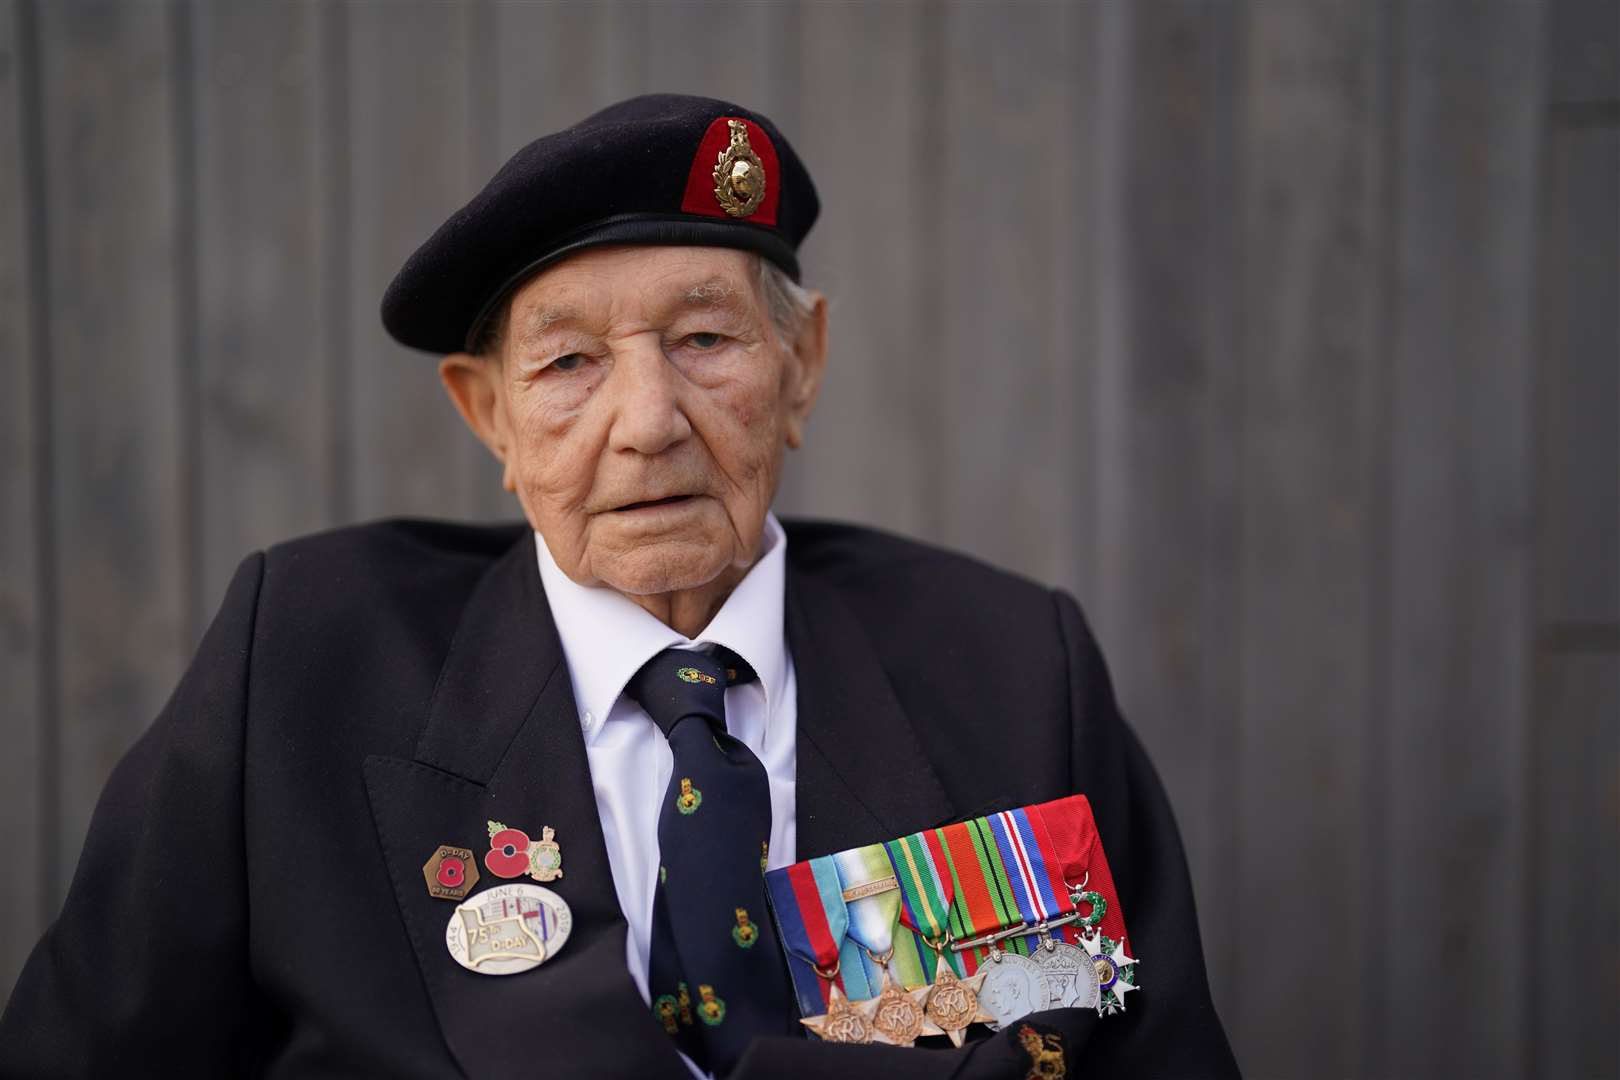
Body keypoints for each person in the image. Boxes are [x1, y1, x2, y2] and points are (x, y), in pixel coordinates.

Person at [0, 94, 1239, 1078]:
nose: (648, 423)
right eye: (570, 363)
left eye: (705, 340)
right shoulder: (306, 670)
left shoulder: (1015, 670)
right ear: (489, 413)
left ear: (801, 367)